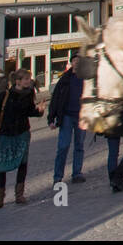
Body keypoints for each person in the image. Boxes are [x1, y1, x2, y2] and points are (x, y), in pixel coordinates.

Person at [0, 69, 43, 209]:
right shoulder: (5, 95)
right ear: (18, 81)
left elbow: (29, 111)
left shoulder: (29, 94)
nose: (29, 81)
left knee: (22, 163)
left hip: (22, 132)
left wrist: (39, 111)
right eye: (26, 79)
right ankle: (0, 199)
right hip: (6, 133)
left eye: (29, 79)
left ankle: (19, 195)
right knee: (1, 166)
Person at [48, 55, 86, 185]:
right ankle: (58, 176)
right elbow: (56, 99)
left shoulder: (86, 79)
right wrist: (51, 118)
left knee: (79, 145)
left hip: (82, 116)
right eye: (75, 61)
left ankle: (77, 173)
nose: (77, 63)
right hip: (67, 116)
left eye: (79, 61)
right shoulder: (65, 79)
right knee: (63, 146)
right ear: (71, 63)